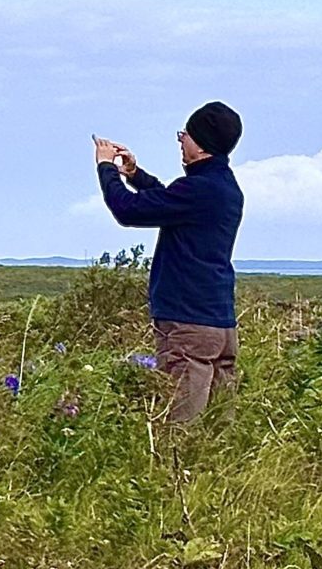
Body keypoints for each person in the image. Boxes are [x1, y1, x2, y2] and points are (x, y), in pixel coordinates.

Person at [93, 101, 244, 422]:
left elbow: (128, 210)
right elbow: (170, 203)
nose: (180, 140)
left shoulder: (198, 189)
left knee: (179, 430)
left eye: (185, 134)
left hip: (188, 325)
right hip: (219, 324)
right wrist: (135, 175)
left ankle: (175, 474)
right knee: (219, 430)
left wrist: (106, 167)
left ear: (202, 145)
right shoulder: (223, 187)